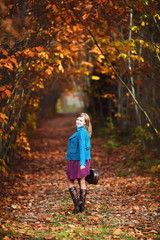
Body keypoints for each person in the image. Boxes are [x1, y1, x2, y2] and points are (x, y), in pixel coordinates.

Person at [66, 112, 92, 214]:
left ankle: (78, 203)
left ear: (85, 123)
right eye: (77, 119)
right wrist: (86, 162)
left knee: (69, 180)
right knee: (82, 180)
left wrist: (82, 163)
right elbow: (87, 149)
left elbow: (82, 148)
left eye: (80, 120)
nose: (78, 121)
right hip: (81, 160)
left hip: (78, 160)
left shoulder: (81, 133)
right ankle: (81, 206)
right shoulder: (83, 132)